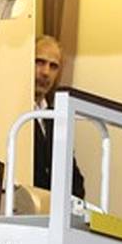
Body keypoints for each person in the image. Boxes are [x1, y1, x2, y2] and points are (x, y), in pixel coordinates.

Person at [32, 35, 86, 199]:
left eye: (53, 66)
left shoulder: (56, 118)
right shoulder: (13, 113)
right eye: (39, 62)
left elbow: (75, 181)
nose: (45, 72)